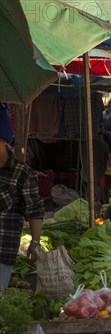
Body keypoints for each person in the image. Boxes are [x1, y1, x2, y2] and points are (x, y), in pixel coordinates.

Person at [0, 104, 44, 289]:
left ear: (4, 141)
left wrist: (35, 242)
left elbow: (34, 210)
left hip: (3, 251)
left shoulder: (22, 173)